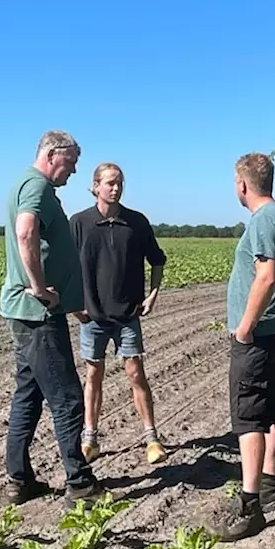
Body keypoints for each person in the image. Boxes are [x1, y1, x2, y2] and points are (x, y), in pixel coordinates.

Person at [0, 130, 105, 507]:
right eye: (71, 163)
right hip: (37, 313)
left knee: (29, 394)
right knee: (67, 397)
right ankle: (79, 482)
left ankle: (19, 479)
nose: (73, 172)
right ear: (51, 154)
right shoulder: (37, 187)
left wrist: (70, 301)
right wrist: (41, 288)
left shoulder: (27, 184)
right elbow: (26, 231)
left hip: (26, 311)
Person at [211, 152, 275, 541]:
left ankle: (250, 507)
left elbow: (265, 277)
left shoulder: (263, 221)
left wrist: (244, 327)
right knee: (268, 412)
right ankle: (268, 488)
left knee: (248, 419)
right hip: (274, 332)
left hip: (258, 336)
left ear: (242, 184)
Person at [69, 162, 169, 466]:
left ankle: (152, 439)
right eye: (110, 183)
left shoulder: (136, 222)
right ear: (95, 186)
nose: (115, 188)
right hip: (93, 317)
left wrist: (152, 294)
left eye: (119, 183)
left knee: (136, 373)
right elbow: (63, 268)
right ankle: (91, 439)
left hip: (128, 316)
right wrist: (74, 306)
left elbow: (157, 260)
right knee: (93, 375)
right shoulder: (79, 223)